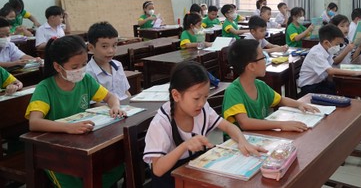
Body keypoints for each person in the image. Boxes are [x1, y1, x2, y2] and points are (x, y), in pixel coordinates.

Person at [143, 62, 266, 187]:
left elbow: (228, 126)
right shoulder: (161, 123)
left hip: (194, 174)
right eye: (196, 98)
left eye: (205, 97)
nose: (202, 103)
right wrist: (184, 146)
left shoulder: (201, 109)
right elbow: (158, 169)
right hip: (171, 181)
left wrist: (242, 141)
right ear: (176, 95)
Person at [25, 35, 126, 187]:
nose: (80, 70)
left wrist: (115, 106)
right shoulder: (45, 88)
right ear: (58, 67)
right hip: (53, 151)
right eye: (74, 67)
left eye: (84, 64)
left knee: (116, 162)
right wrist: (68, 128)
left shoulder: (86, 80)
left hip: (81, 144)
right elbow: (34, 122)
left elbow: (110, 96)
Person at [222, 39, 317, 132]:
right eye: (263, 57)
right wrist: (282, 125)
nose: (266, 60)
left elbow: (281, 100)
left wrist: (300, 104)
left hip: (260, 136)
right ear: (251, 66)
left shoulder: (260, 85)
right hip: (241, 142)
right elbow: (245, 123)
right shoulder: (234, 91)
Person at [298, 25, 361, 96]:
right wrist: (356, 72)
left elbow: (330, 71)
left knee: (347, 89)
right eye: (337, 44)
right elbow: (331, 71)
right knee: (343, 94)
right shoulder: (316, 53)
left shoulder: (327, 49)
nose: (338, 46)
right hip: (309, 88)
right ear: (326, 43)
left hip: (321, 83)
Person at [86, 22, 131, 100]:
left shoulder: (118, 65)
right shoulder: (88, 73)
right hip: (106, 110)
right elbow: (93, 104)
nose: (111, 51)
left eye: (114, 45)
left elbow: (126, 92)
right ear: (91, 47)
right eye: (104, 46)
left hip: (126, 108)